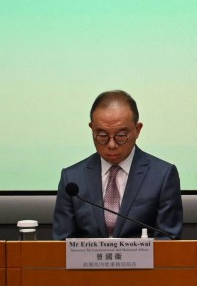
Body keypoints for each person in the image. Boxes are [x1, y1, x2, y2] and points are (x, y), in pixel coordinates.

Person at [53, 90, 183, 240]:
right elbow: (62, 246)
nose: (112, 144)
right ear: (92, 128)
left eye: (121, 135)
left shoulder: (162, 176)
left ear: (138, 129)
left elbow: (169, 243)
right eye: (102, 135)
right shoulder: (72, 178)